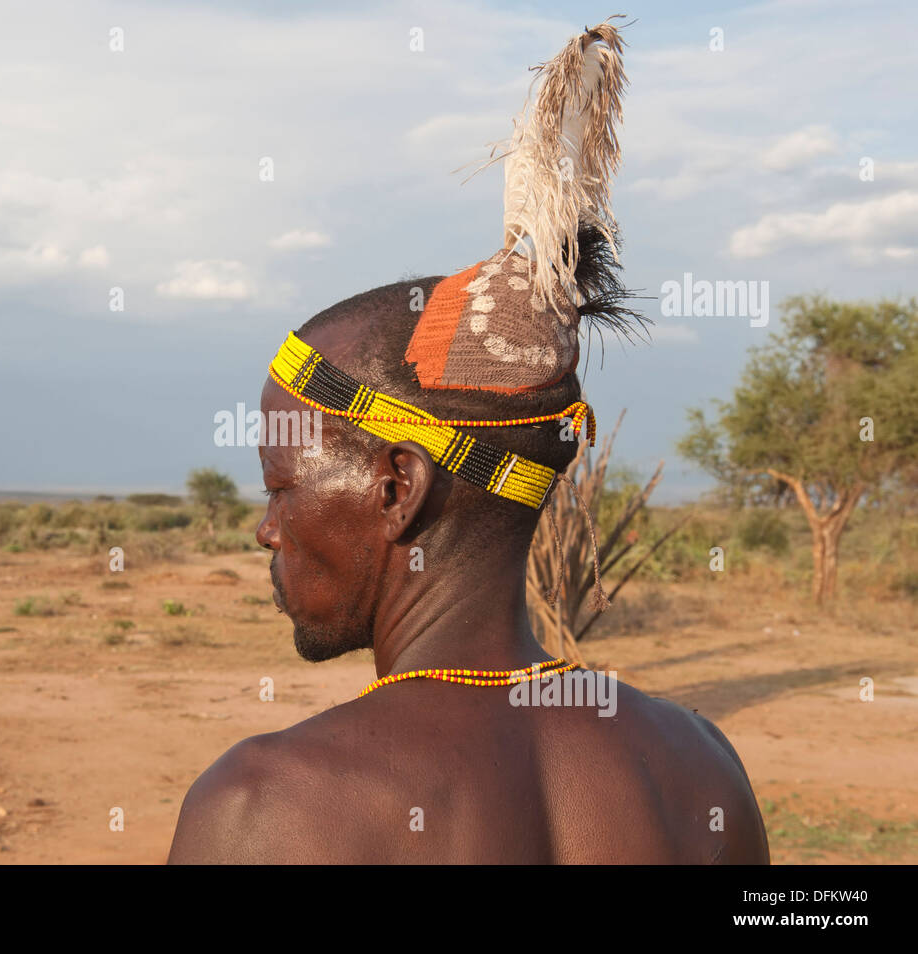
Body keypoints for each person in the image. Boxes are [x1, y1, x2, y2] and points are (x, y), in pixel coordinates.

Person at [168, 20, 769, 864]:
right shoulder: (703, 771)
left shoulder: (269, 809)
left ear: (397, 486)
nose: (268, 528)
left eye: (279, 486)